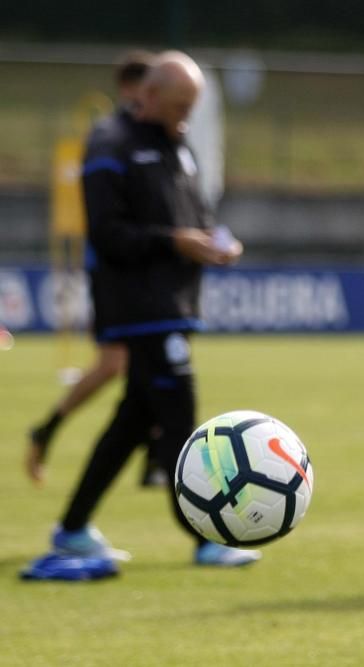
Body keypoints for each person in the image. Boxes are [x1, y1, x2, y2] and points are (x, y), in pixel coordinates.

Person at [28, 51, 260, 574]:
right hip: (136, 308)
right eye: (178, 106)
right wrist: (175, 242)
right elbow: (108, 235)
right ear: (148, 95)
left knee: (133, 421)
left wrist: (216, 242)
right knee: (179, 412)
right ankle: (205, 536)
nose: (184, 118)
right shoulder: (109, 147)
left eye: (190, 109)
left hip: (172, 304)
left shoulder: (176, 145)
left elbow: (196, 215)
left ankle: (71, 529)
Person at [26, 49, 169, 490]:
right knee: (115, 366)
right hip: (115, 273)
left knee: (147, 364)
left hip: (145, 271)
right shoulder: (112, 138)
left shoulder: (151, 136)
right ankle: (50, 427)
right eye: (149, 88)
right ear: (132, 89)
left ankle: (154, 456)